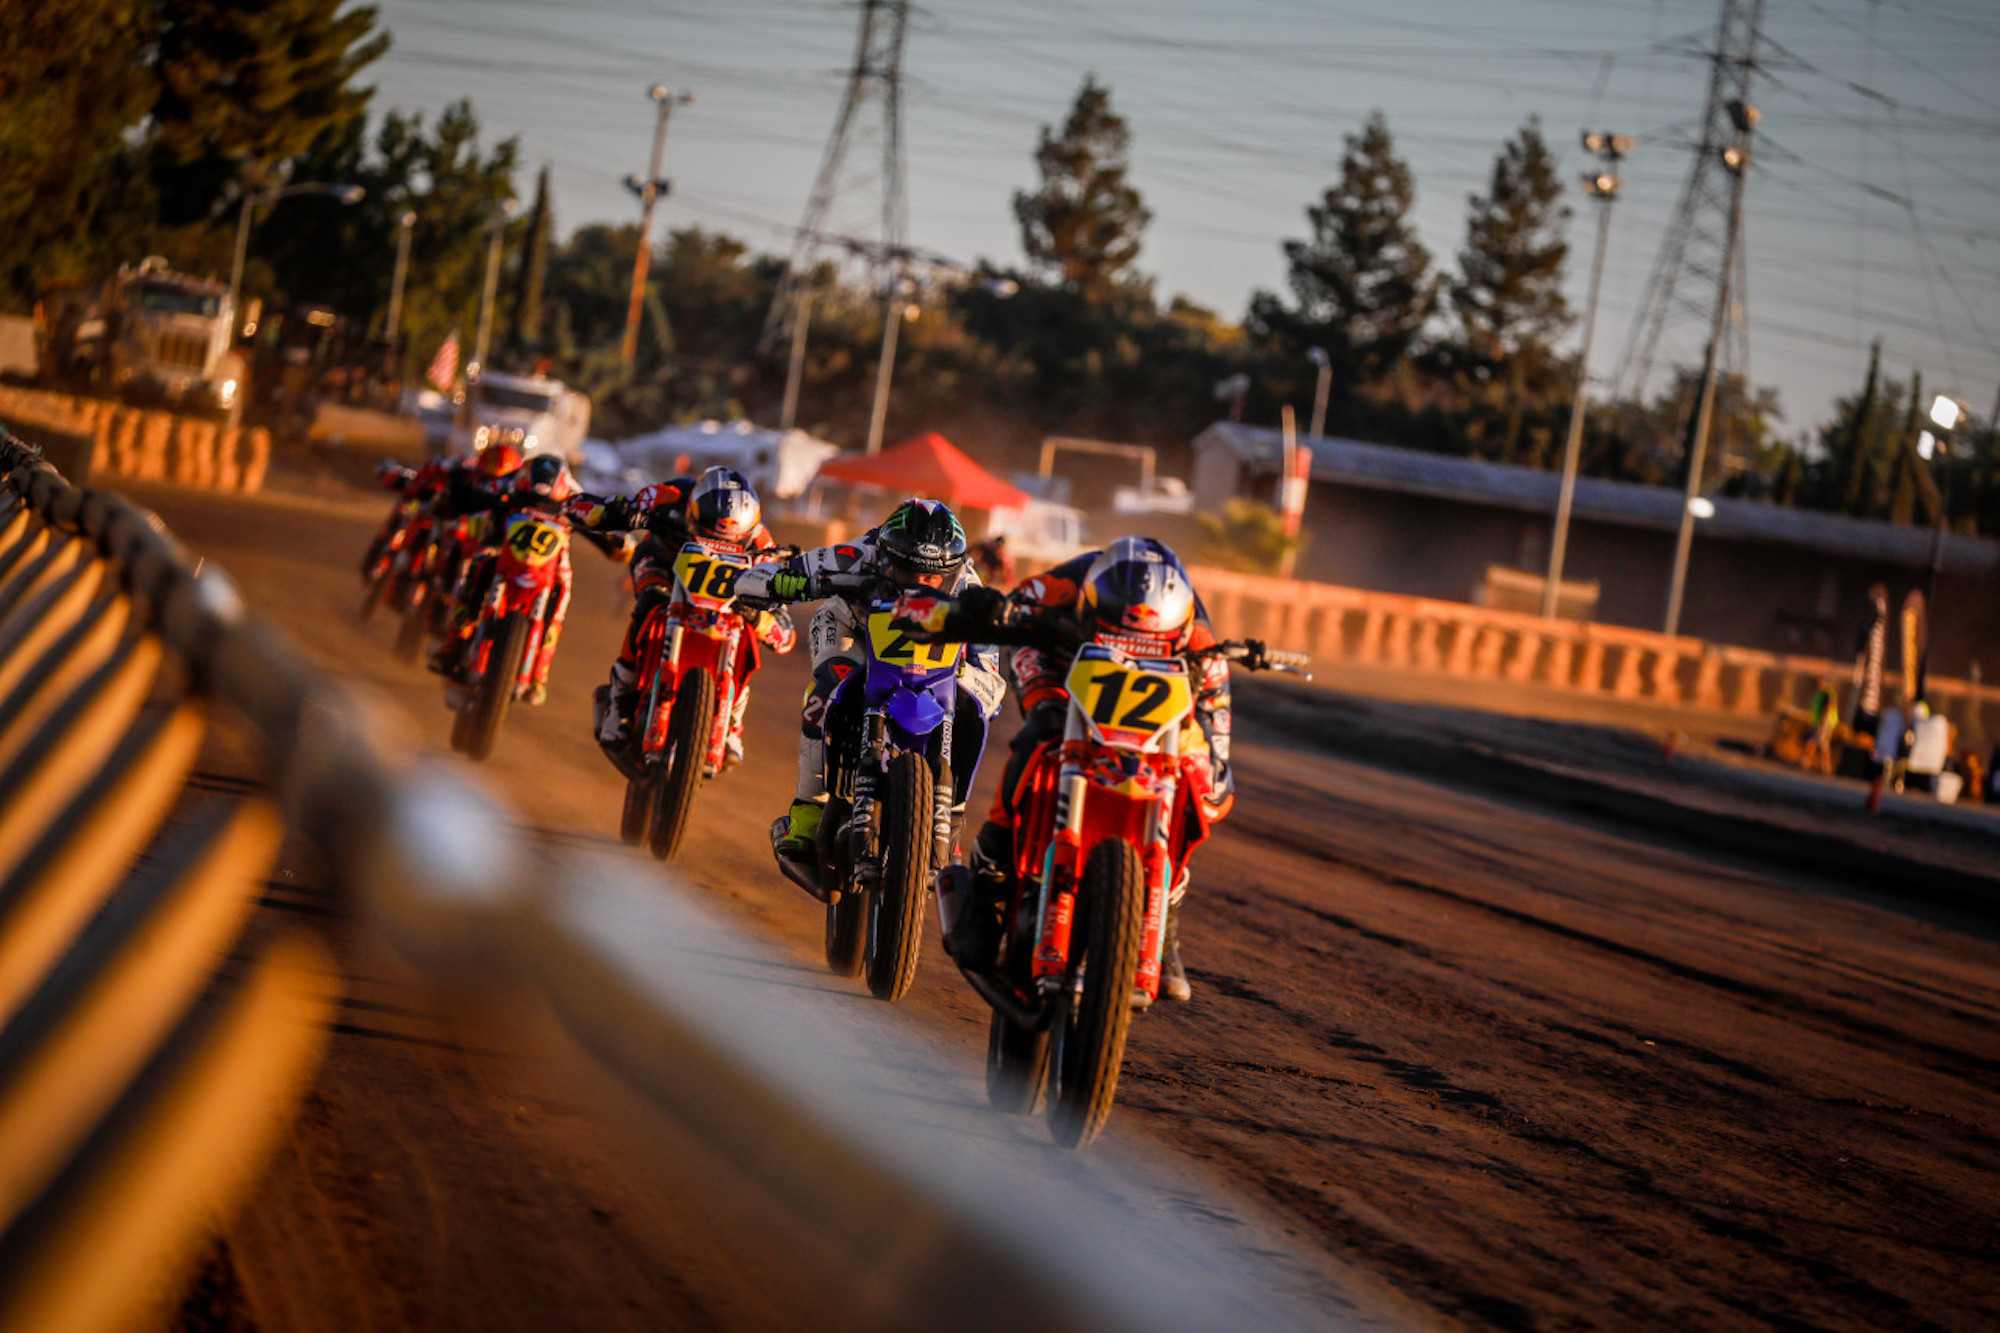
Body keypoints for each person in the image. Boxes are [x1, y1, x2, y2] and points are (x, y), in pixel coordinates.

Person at [944, 537, 1234, 1004]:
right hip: (1066, 679)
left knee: (1198, 782)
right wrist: (992, 614)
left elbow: (1218, 724)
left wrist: (1211, 771)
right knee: (1040, 732)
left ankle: (1166, 926)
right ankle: (988, 882)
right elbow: (1010, 612)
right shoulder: (1061, 584)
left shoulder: (1197, 630)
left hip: (1153, 711)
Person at [733, 498, 1007, 872]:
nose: (918, 587)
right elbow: (764, 575)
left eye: (931, 579)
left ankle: (950, 821)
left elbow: (992, 685)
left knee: (973, 707)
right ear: (883, 558)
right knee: (824, 694)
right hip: (852, 631)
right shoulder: (855, 555)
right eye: (907, 574)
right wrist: (778, 581)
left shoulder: (969, 590)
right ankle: (807, 812)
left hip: (935, 663)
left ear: (954, 573)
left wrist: (964, 676)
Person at [565, 466, 797, 763]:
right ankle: (618, 703)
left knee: (750, 621)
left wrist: (761, 617)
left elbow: (785, 632)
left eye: (729, 541)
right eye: (710, 535)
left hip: (720, 592)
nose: (718, 546)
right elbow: (600, 508)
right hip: (662, 562)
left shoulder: (762, 543)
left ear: (747, 529)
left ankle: (733, 720)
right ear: (692, 510)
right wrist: (620, 512)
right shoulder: (668, 495)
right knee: (651, 602)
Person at [432, 454, 581, 705]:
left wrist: (610, 533)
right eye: (531, 501)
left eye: (546, 505)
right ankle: (453, 645)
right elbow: (478, 491)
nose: (538, 507)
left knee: (564, 585)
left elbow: (601, 514)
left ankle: (539, 672)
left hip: (551, 556)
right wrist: (462, 496)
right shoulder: (508, 482)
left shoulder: (576, 493)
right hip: (503, 542)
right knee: (477, 563)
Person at [361, 440, 525, 579]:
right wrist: (417, 483)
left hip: (467, 531)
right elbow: (435, 467)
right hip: (441, 510)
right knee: (409, 510)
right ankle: (383, 553)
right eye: (488, 477)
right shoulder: (465, 467)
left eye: (498, 479)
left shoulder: (514, 491)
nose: (491, 484)